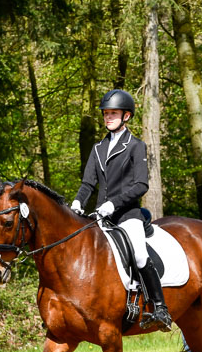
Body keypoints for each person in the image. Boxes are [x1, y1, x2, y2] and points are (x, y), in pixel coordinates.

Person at [71, 88, 171, 332]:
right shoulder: (98, 148)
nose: (108, 117)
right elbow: (88, 184)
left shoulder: (136, 146)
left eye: (113, 113)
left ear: (126, 116)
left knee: (139, 255)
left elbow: (141, 185)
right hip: (100, 218)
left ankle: (160, 308)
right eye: (106, 114)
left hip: (127, 215)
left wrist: (114, 203)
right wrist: (77, 202)